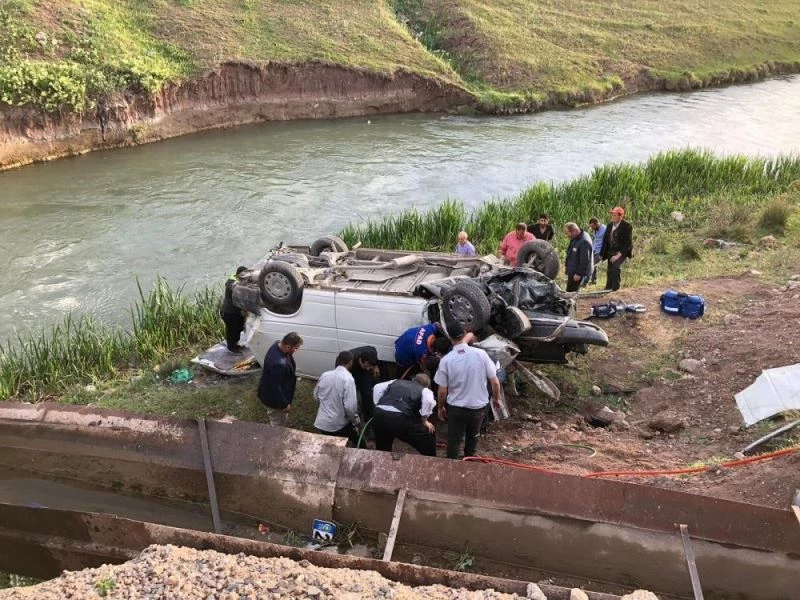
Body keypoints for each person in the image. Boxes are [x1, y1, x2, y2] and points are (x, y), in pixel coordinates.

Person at [434, 322, 502, 459]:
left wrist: (440, 407)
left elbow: (442, 391)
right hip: (478, 408)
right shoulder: (481, 354)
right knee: (473, 437)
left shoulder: (446, 360)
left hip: (456, 409)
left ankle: (452, 467)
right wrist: (496, 399)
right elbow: (495, 382)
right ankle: (470, 461)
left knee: (454, 440)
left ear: (450, 338)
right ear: (464, 334)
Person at [372, 373, 437, 456]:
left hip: (379, 415)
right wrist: (424, 421)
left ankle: (383, 463)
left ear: (413, 380)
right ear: (427, 386)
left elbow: (377, 387)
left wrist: (378, 405)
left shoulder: (395, 381)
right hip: (400, 418)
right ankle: (431, 461)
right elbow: (428, 401)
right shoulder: (425, 390)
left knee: (383, 448)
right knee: (428, 435)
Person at [313, 351, 361, 446]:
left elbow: (316, 396)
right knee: (359, 442)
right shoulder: (348, 379)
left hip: (321, 423)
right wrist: (356, 421)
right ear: (350, 362)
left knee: (331, 446)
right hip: (338, 425)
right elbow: (350, 407)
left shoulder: (325, 375)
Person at [257, 332, 303, 426]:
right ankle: (276, 436)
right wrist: (284, 405)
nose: (296, 350)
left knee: (281, 418)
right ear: (288, 347)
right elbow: (275, 388)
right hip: (274, 400)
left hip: (274, 391)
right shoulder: (278, 364)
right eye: (296, 348)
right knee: (277, 422)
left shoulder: (277, 344)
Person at [601, 206, 633, 292]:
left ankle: (615, 289)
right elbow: (605, 240)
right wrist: (602, 253)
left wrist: (619, 255)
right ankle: (608, 288)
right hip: (610, 251)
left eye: (615, 215)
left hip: (621, 251)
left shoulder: (627, 226)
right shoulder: (609, 225)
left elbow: (627, 243)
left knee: (615, 267)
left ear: (620, 216)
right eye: (612, 215)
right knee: (610, 269)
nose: (613, 217)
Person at [348, 345, 380, 424]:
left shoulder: (371, 351)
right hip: (352, 373)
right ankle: (355, 416)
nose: (368, 369)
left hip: (364, 374)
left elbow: (373, 349)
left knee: (367, 393)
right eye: (366, 366)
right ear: (361, 360)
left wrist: (375, 366)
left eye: (370, 367)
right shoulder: (349, 360)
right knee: (352, 397)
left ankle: (368, 419)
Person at [220, 266, 248, 353]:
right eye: (244, 275)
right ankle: (232, 347)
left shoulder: (237, 280)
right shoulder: (232, 283)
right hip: (229, 312)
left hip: (235, 312)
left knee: (239, 327)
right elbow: (237, 293)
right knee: (232, 330)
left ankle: (235, 344)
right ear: (239, 275)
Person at [563, 222, 594, 292]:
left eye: (567, 233)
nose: (567, 235)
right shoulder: (576, 237)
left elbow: (585, 260)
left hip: (578, 273)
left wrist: (578, 274)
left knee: (571, 292)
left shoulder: (584, 241)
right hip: (573, 271)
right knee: (569, 291)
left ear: (574, 231)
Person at [588, 217, 606, 285]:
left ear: (597, 224)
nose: (592, 228)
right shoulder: (596, 230)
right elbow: (596, 241)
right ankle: (594, 280)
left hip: (600, 252)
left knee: (590, 265)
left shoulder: (604, 229)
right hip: (595, 250)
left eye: (592, 226)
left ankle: (584, 281)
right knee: (593, 265)